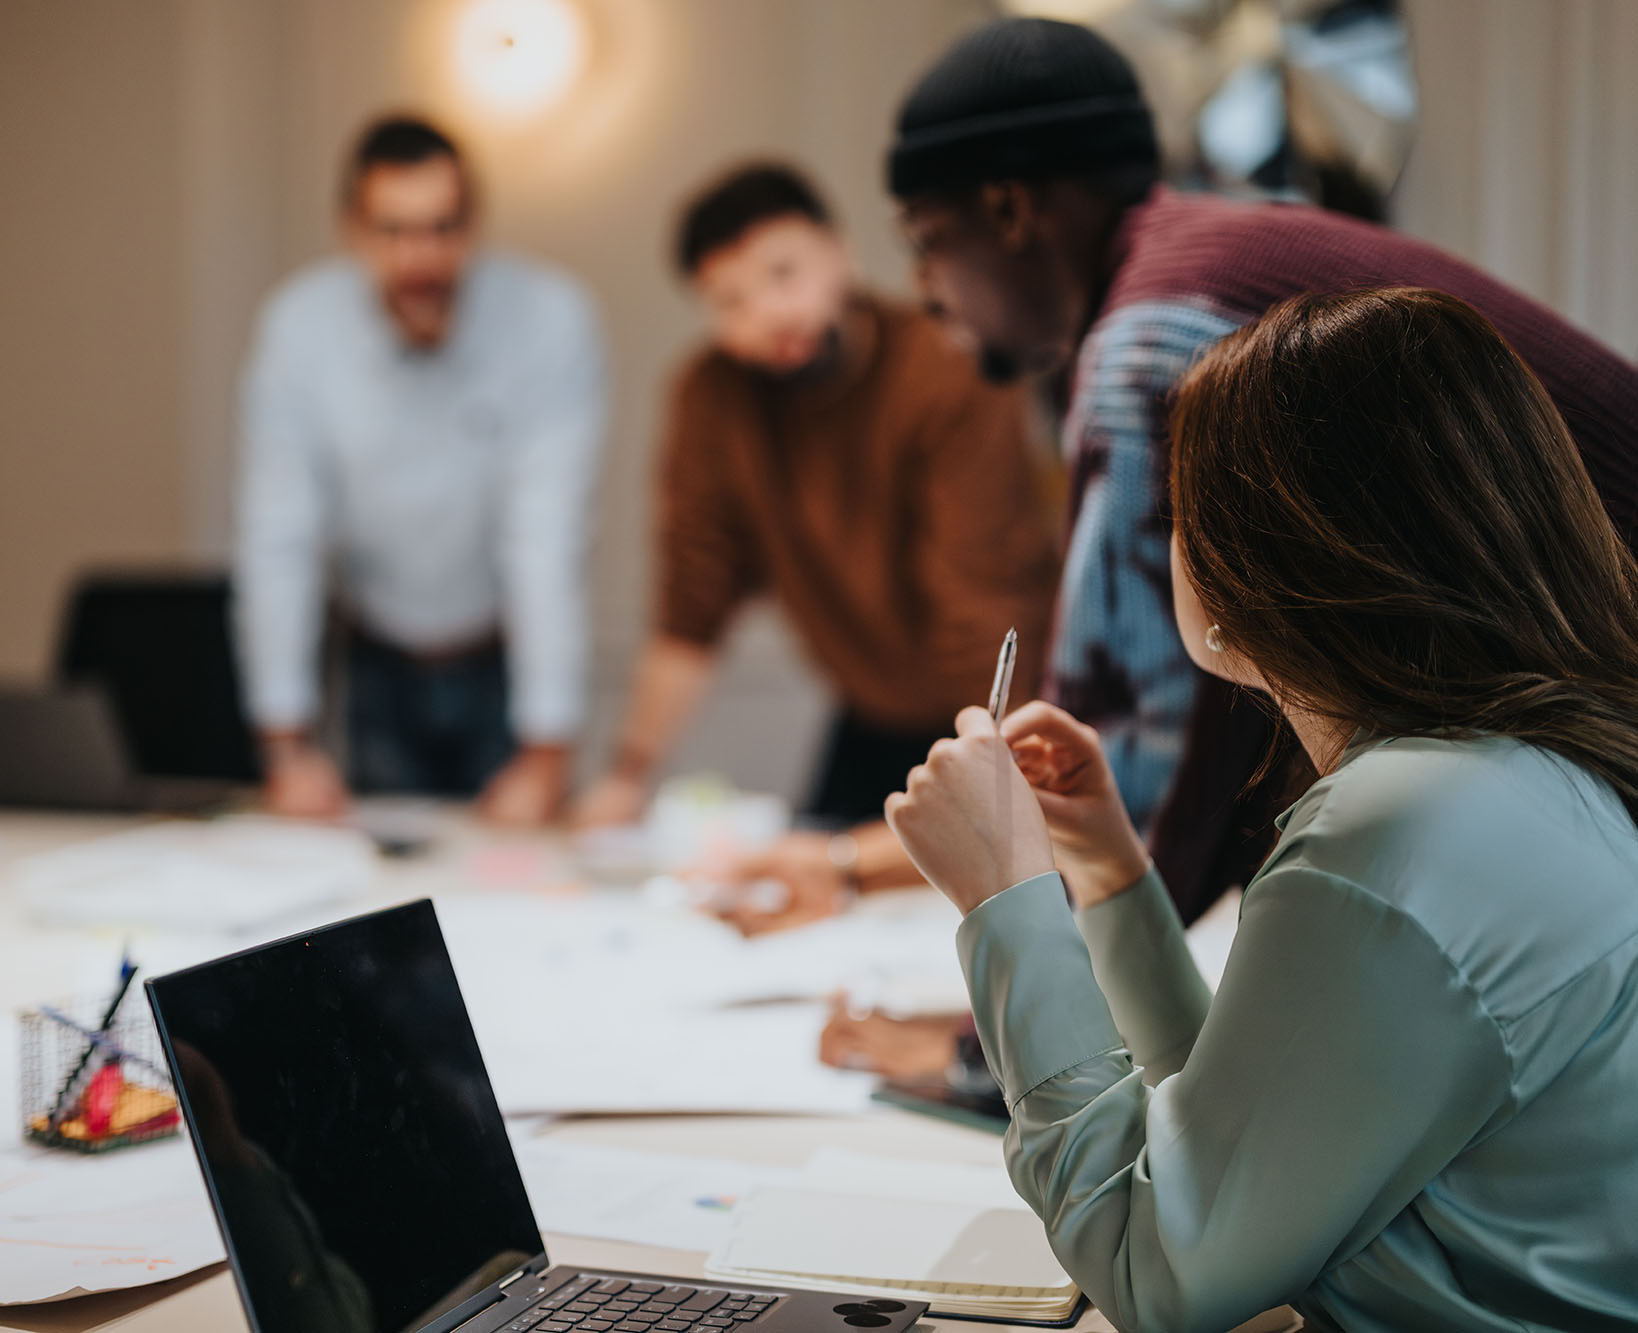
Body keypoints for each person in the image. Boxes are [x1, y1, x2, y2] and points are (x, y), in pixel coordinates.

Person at [820, 12, 1638, 1077]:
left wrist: (1004, 1051)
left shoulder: (1151, 331)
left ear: (1009, 210)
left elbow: (1140, 735)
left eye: (927, 241)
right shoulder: (1208, 257)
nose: (926, 292)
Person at [885, 287, 1638, 1332]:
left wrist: (1005, 896)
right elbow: (1259, 1145)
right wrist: (1105, 868)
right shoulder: (1516, 777)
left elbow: (1164, 1270)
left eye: (1183, 518)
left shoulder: (1395, 824)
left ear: (1262, 556)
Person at [571, 162, 1058, 916]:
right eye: (730, 300)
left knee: (978, 918)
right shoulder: (712, 398)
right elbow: (690, 604)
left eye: (784, 273)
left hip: (990, 711)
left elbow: (982, 599)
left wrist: (1000, 788)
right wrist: (627, 776)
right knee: (800, 908)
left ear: (842, 253)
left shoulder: (941, 363)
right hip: (866, 711)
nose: (768, 312)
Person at [234, 115, 607, 824]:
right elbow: (279, 539)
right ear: (351, 229)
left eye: (443, 227)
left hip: (502, 658)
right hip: (375, 659)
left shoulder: (550, 319)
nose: (421, 258)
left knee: (515, 876)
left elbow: (547, 540)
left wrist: (547, 754)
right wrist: (286, 748)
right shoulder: (298, 328)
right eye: (393, 229)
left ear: (474, 225)